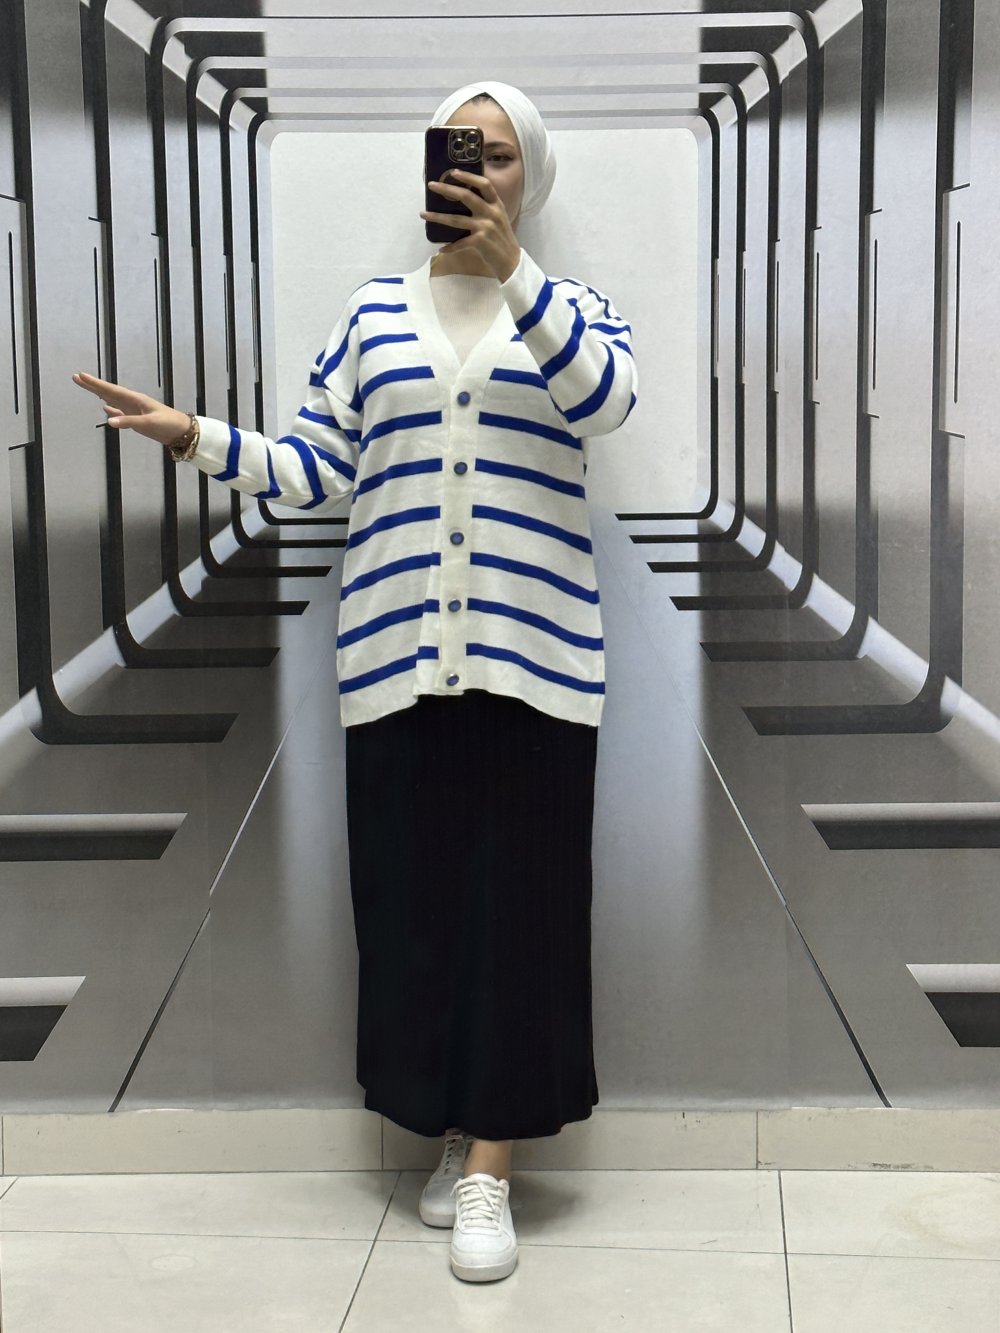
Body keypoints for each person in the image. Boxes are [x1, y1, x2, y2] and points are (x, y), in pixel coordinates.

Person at [72, 79, 637, 1285]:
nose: (476, 168)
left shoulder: (575, 312)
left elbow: (605, 405)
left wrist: (516, 273)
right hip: (392, 657)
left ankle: (491, 1169)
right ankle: (450, 1130)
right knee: (415, 917)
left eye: (497, 153)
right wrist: (191, 434)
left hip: (536, 660)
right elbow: (314, 466)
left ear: (529, 173)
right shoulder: (374, 316)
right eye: (457, 149)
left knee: (521, 919)